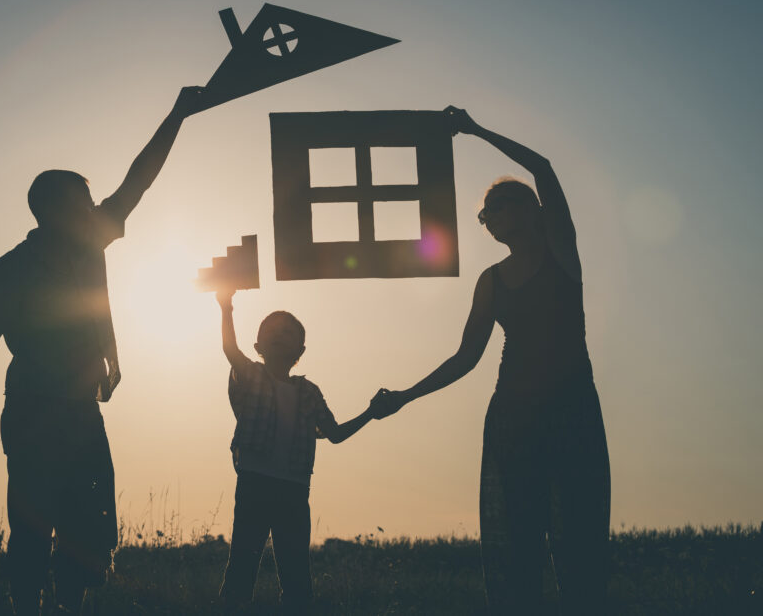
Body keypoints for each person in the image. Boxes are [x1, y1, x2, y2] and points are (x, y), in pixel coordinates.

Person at [0, 86, 204, 616]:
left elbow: (139, 180)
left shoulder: (81, 244)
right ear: (55, 210)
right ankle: (31, 606)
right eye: (84, 202)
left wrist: (177, 115)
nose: (94, 208)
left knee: (83, 520)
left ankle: (61, 606)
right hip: (35, 407)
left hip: (75, 406)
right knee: (36, 523)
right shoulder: (11, 268)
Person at [372, 106, 611, 615]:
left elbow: (544, 168)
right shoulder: (491, 281)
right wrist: (404, 397)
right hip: (512, 420)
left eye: (498, 206)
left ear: (528, 209)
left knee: (580, 541)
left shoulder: (561, 253)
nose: (489, 219)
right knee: (515, 545)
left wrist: (476, 130)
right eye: (485, 214)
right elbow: (465, 358)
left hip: (572, 412)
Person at [215, 288, 377, 612]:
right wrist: (226, 306)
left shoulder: (309, 392)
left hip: (294, 491)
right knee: (243, 565)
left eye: (288, 334)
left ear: (299, 351)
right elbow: (230, 349)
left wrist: (370, 412)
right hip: (254, 483)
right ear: (258, 345)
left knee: (296, 574)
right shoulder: (251, 376)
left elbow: (335, 433)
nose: (279, 335)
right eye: (272, 331)